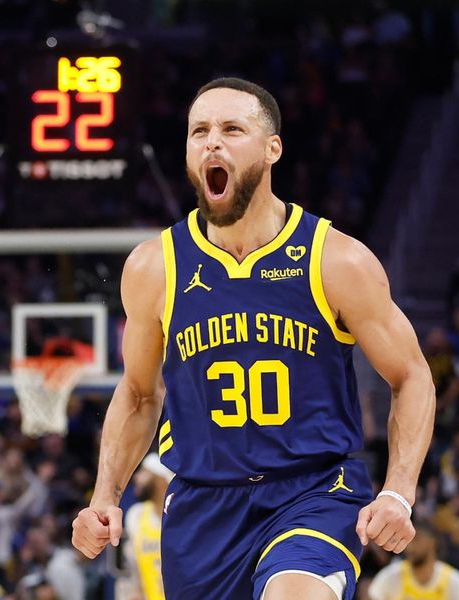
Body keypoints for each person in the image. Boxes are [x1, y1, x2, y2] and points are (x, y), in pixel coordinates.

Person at [72, 77, 436, 600]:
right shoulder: (155, 267)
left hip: (312, 491)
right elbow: (137, 393)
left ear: (272, 149)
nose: (212, 142)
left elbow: (412, 374)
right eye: (199, 131)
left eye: (231, 129)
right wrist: (105, 494)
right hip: (202, 507)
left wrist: (399, 492)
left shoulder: (336, 259)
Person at [367, 523, 459, 600]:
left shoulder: (454, 582)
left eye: (416, 540)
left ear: (433, 542)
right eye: (408, 540)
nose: (410, 547)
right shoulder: (390, 576)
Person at [121, 454, 174, 600]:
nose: (136, 478)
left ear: (161, 479)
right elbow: (133, 564)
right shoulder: (135, 515)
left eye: (144, 472)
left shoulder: (183, 517)